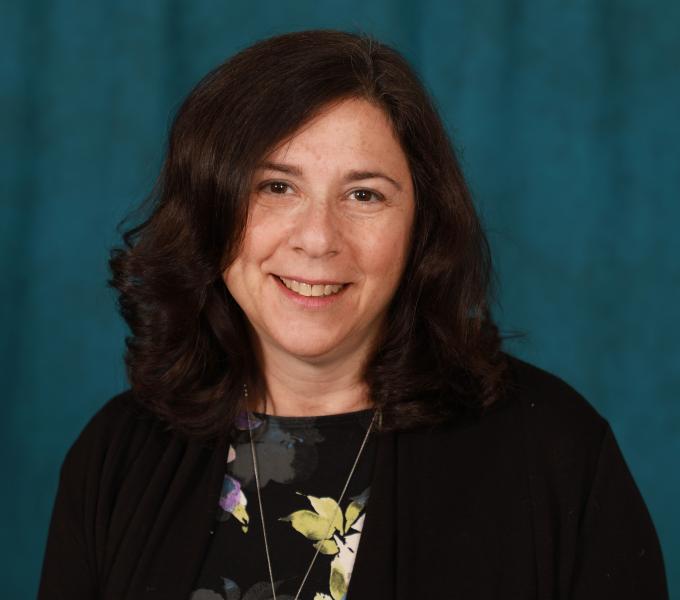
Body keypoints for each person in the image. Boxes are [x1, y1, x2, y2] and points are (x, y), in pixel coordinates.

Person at [38, 29, 668, 600]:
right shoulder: (117, 455)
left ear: (421, 228)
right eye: (276, 187)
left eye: (364, 194)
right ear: (210, 210)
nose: (317, 239)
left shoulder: (555, 451)